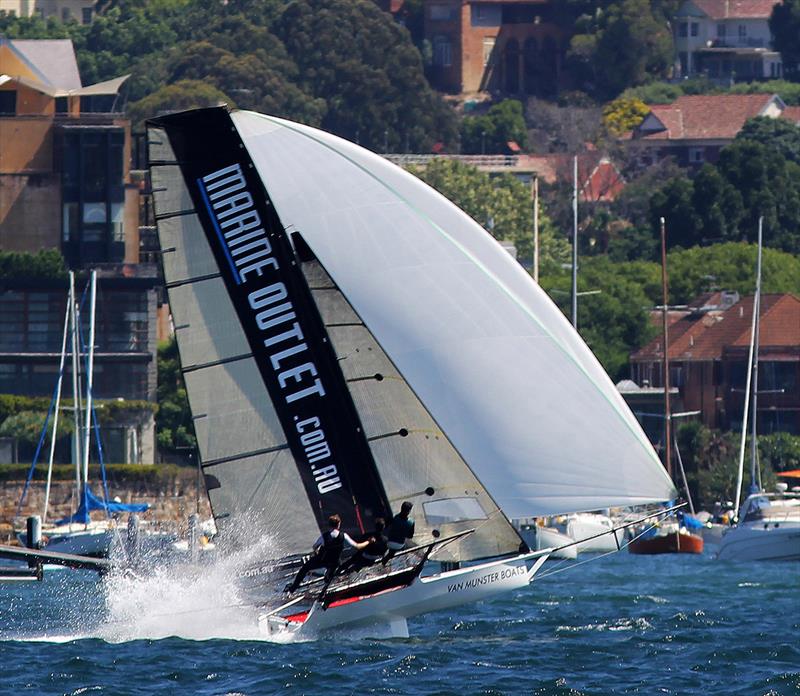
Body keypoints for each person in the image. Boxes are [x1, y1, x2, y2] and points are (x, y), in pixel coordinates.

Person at [285, 514, 370, 594]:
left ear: (329, 525)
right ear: (339, 524)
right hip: (334, 562)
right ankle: (327, 579)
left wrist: (316, 552)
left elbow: (315, 547)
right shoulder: (344, 536)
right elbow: (357, 546)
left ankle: (293, 588)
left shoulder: (324, 536)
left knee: (304, 569)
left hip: (322, 560)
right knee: (333, 570)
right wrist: (368, 542)